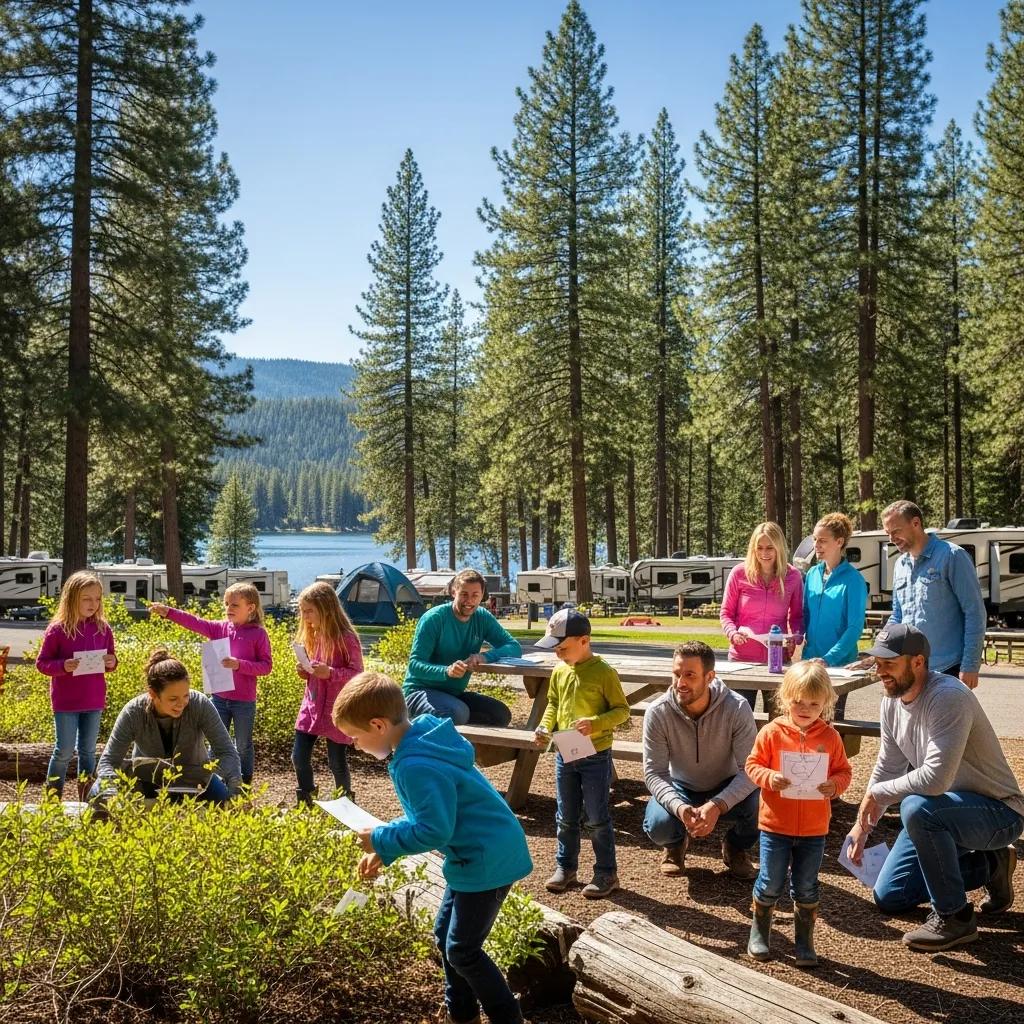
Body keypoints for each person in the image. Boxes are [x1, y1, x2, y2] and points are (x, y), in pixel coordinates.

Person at [335, 671, 531, 1024]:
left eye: (355, 736)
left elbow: (434, 830)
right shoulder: (420, 738)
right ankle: (461, 1014)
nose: (354, 745)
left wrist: (380, 838)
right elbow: (428, 818)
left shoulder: (415, 764)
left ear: (378, 725)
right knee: (446, 940)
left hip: (487, 860)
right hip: (478, 853)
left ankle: (507, 1018)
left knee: (462, 950)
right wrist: (387, 850)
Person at [846, 624, 1024, 952]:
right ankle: (992, 866)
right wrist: (862, 825)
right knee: (890, 896)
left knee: (915, 806)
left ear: (918, 662)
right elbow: (888, 766)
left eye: (888, 662)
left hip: (998, 812)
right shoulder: (892, 700)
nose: (879, 670)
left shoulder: (948, 697)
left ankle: (955, 917)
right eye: (876, 662)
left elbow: (935, 779)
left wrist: (878, 794)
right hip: (943, 812)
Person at [744, 662, 851, 966]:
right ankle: (760, 931)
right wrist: (769, 778)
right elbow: (752, 765)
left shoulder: (830, 738)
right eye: (798, 701)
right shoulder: (771, 733)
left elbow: (844, 771)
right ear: (785, 698)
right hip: (775, 825)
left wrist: (834, 786)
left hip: (814, 829)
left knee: (806, 885)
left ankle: (804, 941)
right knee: (770, 881)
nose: (805, 708)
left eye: (814, 703)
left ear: (826, 703)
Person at [642, 640, 760, 881]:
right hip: (681, 786)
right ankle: (675, 845)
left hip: (726, 783)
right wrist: (679, 807)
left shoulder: (736, 707)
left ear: (709, 677)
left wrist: (717, 805)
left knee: (765, 804)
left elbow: (750, 769)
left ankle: (735, 846)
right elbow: (654, 772)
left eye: (690, 675)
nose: (680, 683)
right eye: (676, 674)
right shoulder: (658, 711)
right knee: (657, 824)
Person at [532, 609, 629, 899]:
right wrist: (544, 726)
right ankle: (566, 867)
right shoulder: (560, 671)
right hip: (565, 751)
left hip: (595, 755)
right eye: (555, 649)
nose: (558, 654)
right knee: (565, 814)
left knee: (597, 816)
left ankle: (606, 873)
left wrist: (596, 724)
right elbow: (552, 703)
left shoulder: (603, 672)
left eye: (562, 648)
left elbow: (622, 711)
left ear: (584, 640)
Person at [150, 582, 272, 784]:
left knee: (242, 745)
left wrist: (238, 665)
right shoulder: (219, 628)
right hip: (218, 698)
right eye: (226, 604)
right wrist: (168, 612)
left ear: (250, 608)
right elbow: (194, 622)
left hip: (244, 701)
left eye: (234, 605)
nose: (228, 609)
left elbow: (266, 666)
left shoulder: (258, 634)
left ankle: (244, 783)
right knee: (215, 743)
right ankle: (212, 781)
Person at [92, 649, 241, 804]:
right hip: (147, 782)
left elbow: (226, 752)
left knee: (224, 802)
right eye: (173, 698)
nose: (181, 703)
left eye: (186, 696)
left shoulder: (200, 704)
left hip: (197, 781)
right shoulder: (133, 711)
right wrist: (110, 793)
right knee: (97, 792)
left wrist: (235, 787)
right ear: (153, 694)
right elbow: (108, 761)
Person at [881, 499, 986, 689]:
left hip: (948, 669)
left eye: (895, 531)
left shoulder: (952, 556)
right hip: (910, 668)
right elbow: (897, 615)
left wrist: (970, 665)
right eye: (887, 533)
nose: (891, 539)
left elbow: (975, 612)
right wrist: (880, 648)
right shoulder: (900, 565)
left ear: (916, 523)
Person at [36, 571, 118, 800]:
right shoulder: (58, 629)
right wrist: (63, 666)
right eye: (87, 598)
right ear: (72, 598)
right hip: (65, 703)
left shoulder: (103, 628)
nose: (93, 604)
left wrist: (112, 663)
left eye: (97, 598)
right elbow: (42, 663)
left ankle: (86, 800)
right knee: (63, 751)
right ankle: (52, 800)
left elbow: (111, 660)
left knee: (88, 752)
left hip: (93, 700)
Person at [403, 568, 521, 726]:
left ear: (482, 595)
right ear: (453, 592)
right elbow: (415, 665)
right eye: (464, 594)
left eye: (475, 595)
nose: (469, 601)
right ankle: (413, 736)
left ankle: (471, 748)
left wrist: (485, 657)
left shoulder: (482, 618)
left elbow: (514, 647)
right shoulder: (434, 618)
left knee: (499, 715)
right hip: (419, 692)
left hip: (453, 695)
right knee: (457, 713)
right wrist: (446, 671)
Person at [291, 581, 364, 806]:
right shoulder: (314, 635)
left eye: (309, 611)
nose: (305, 617)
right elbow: (316, 671)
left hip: (336, 707)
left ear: (326, 608)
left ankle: (345, 803)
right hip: (312, 705)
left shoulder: (346, 638)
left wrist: (329, 673)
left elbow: (358, 673)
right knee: (299, 756)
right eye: (302, 611)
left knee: (336, 761)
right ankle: (306, 798)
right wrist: (306, 671)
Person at [720, 521, 804, 710]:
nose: (764, 553)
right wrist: (732, 633)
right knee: (739, 720)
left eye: (770, 548)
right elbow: (726, 613)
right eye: (759, 548)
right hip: (741, 661)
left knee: (778, 719)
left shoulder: (793, 576)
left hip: (777, 662)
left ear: (779, 547)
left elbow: (797, 616)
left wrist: (795, 637)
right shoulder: (739, 573)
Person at [801, 512, 867, 719]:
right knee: (805, 722)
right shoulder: (812, 574)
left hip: (838, 666)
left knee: (830, 725)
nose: (816, 545)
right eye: (814, 540)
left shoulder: (854, 580)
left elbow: (854, 628)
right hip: (810, 664)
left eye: (822, 541)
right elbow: (805, 615)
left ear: (839, 542)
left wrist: (828, 659)